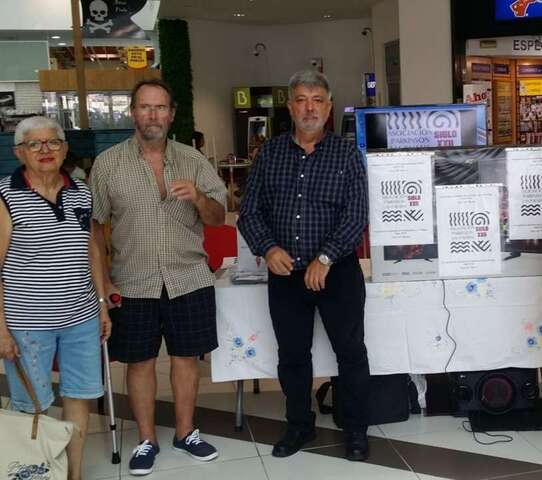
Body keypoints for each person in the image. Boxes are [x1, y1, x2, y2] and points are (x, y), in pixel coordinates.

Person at [90, 79, 227, 476]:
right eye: (145, 107)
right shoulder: (108, 164)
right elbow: (95, 229)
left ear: (172, 114)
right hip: (133, 280)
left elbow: (218, 218)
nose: (153, 115)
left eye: (160, 107)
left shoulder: (193, 160)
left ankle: (186, 433)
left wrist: (199, 198)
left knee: (186, 359)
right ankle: (147, 440)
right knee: (139, 361)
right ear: (132, 112)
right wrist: (104, 287)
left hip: (189, 277)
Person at [238, 70, 370, 461]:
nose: (309, 107)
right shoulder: (271, 154)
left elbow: (357, 214)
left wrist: (326, 256)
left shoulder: (347, 153)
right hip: (285, 275)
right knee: (293, 355)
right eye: (301, 99)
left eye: (317, 99)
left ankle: (356, 428)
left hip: (338, 272)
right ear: (290, 107)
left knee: (350, 352)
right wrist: (268, 248)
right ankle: (299, 426)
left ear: (328, 108)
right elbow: (249, 213)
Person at [0, 116, 112, 480]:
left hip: (81, 318)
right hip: (28, 324)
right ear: (20, 152)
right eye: (35, 144)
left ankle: (72, 474)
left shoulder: (80, 191)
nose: (45, 150)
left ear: (65, 149)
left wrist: (100, 304)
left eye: (53, 143)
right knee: (33, 406)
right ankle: (36, 472)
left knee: (80, 396)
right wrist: (1, 328)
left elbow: (92, 249)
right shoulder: (5, 195)